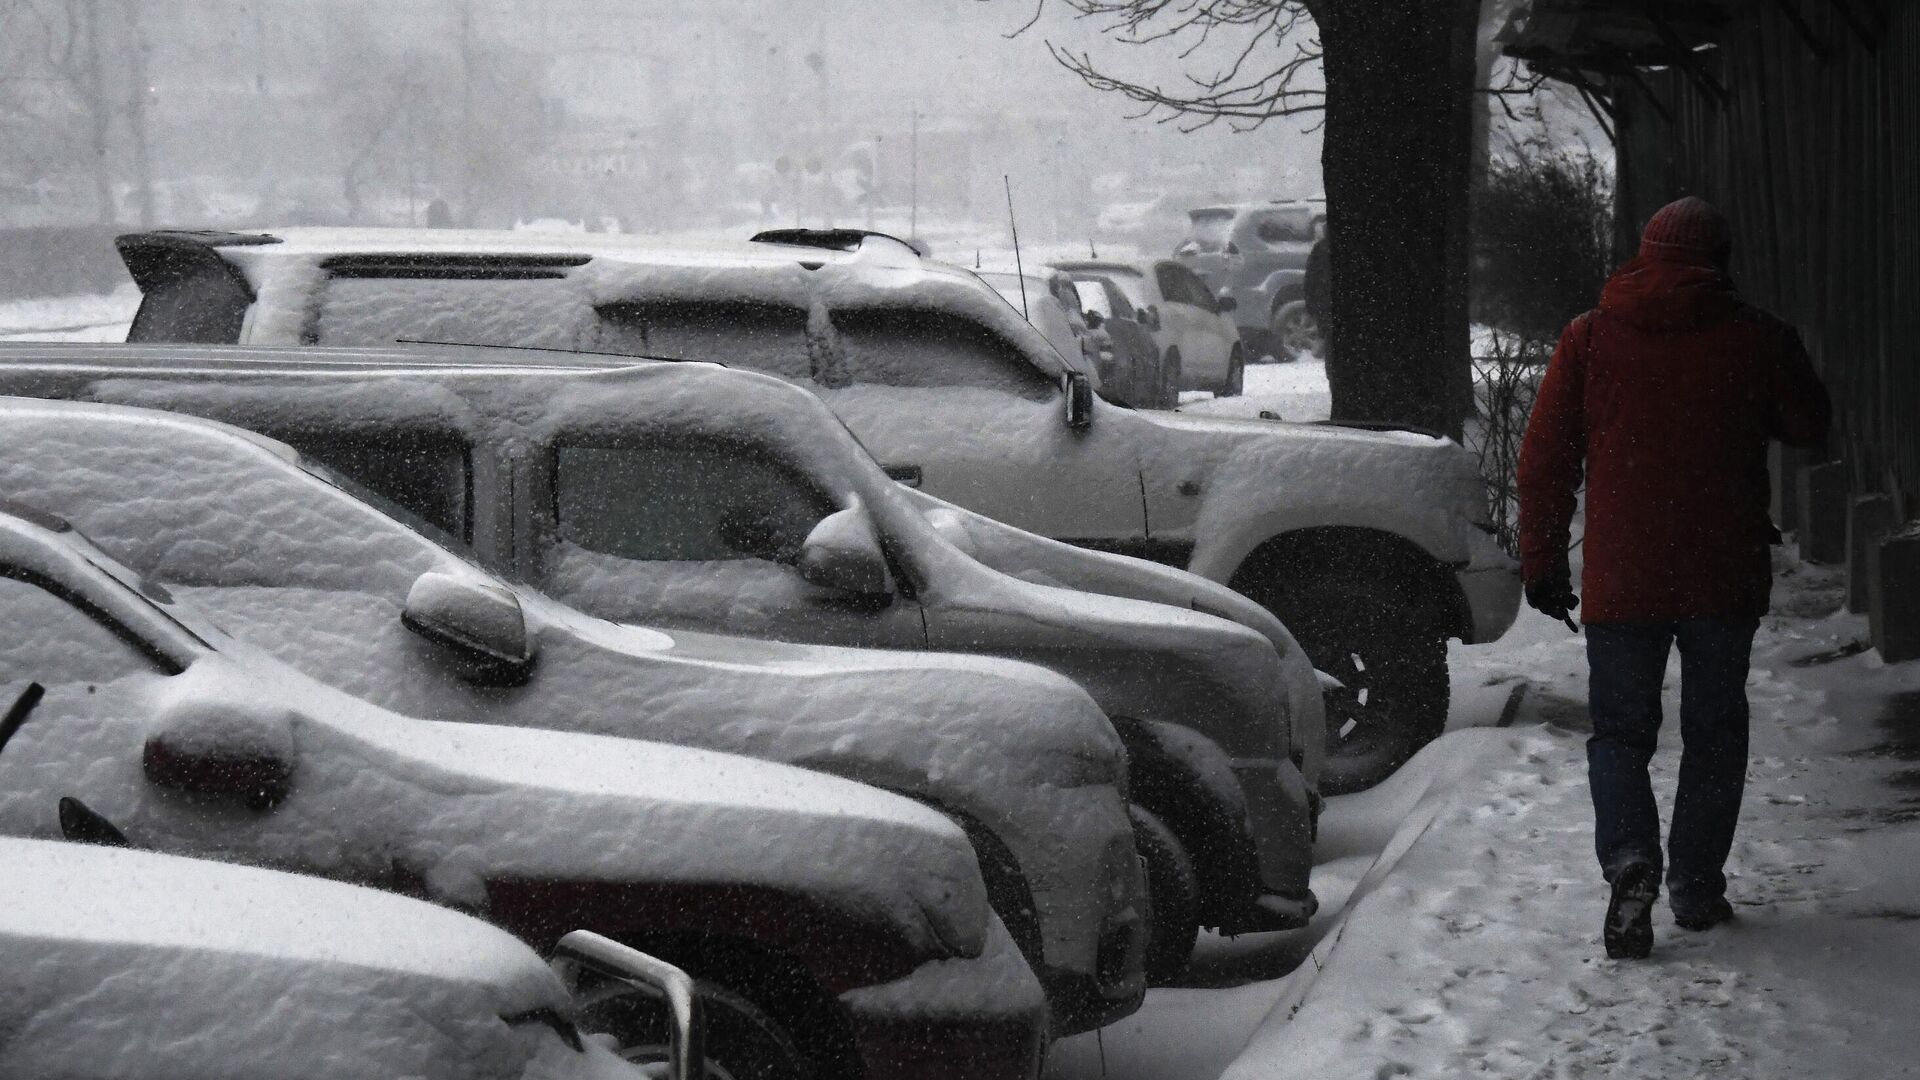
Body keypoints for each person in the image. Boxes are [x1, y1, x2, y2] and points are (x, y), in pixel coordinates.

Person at [1517, 196, 1831, 960]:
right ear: (1721, 261)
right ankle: (1694, 883)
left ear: (1643, 256)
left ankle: (1630, 860)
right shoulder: (1754, 338)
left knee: (1621, 733)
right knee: (1715, 734)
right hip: (1721, 574)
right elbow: (1810, 425)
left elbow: (1545, 461)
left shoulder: (1590, 339)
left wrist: (1543, 562)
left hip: (1625, 577)